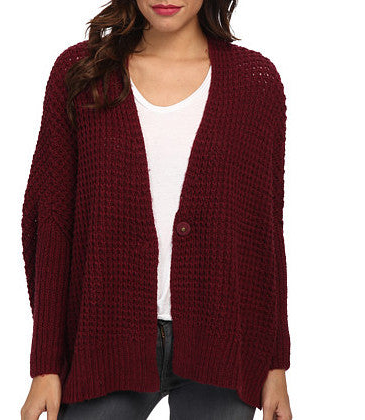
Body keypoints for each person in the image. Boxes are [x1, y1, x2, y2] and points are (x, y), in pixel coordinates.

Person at [20, 1, 292, 419]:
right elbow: (51, 222)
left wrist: (274, 364)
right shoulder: (82, 73)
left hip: (225, 343)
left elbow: (264, 231)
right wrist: (46, 365)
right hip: (103, 341)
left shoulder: (255, 82)